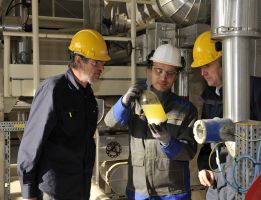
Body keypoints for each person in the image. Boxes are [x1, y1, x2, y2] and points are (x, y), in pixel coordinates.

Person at [17, 29, 111, 200]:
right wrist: (29, 193)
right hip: (54, 191)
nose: (101, 68)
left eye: (103, 63)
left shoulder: (88, 97)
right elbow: (31, 145)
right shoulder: (53, 90)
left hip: (80, 189)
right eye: (96, 62)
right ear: (78, 60)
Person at [104, 43, 198, 200]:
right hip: (139, 191)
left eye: (170, 73)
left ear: (176, 76)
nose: (163, 77)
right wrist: (124, 102)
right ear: (149, 70)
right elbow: (109, 123)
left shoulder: (186, 109)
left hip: (173, 193)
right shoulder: (134, 102)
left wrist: (168, 141)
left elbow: (189, 152)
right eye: (158, 71)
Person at [190, 31, 261, 200]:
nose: (202, 73)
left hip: (250, 182)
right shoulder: (210, 96)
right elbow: (206, 145)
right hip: (219, 185)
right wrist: (204, 167)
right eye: (201, 68)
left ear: (224, 61)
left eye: (207, 65)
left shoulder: (255, 89)